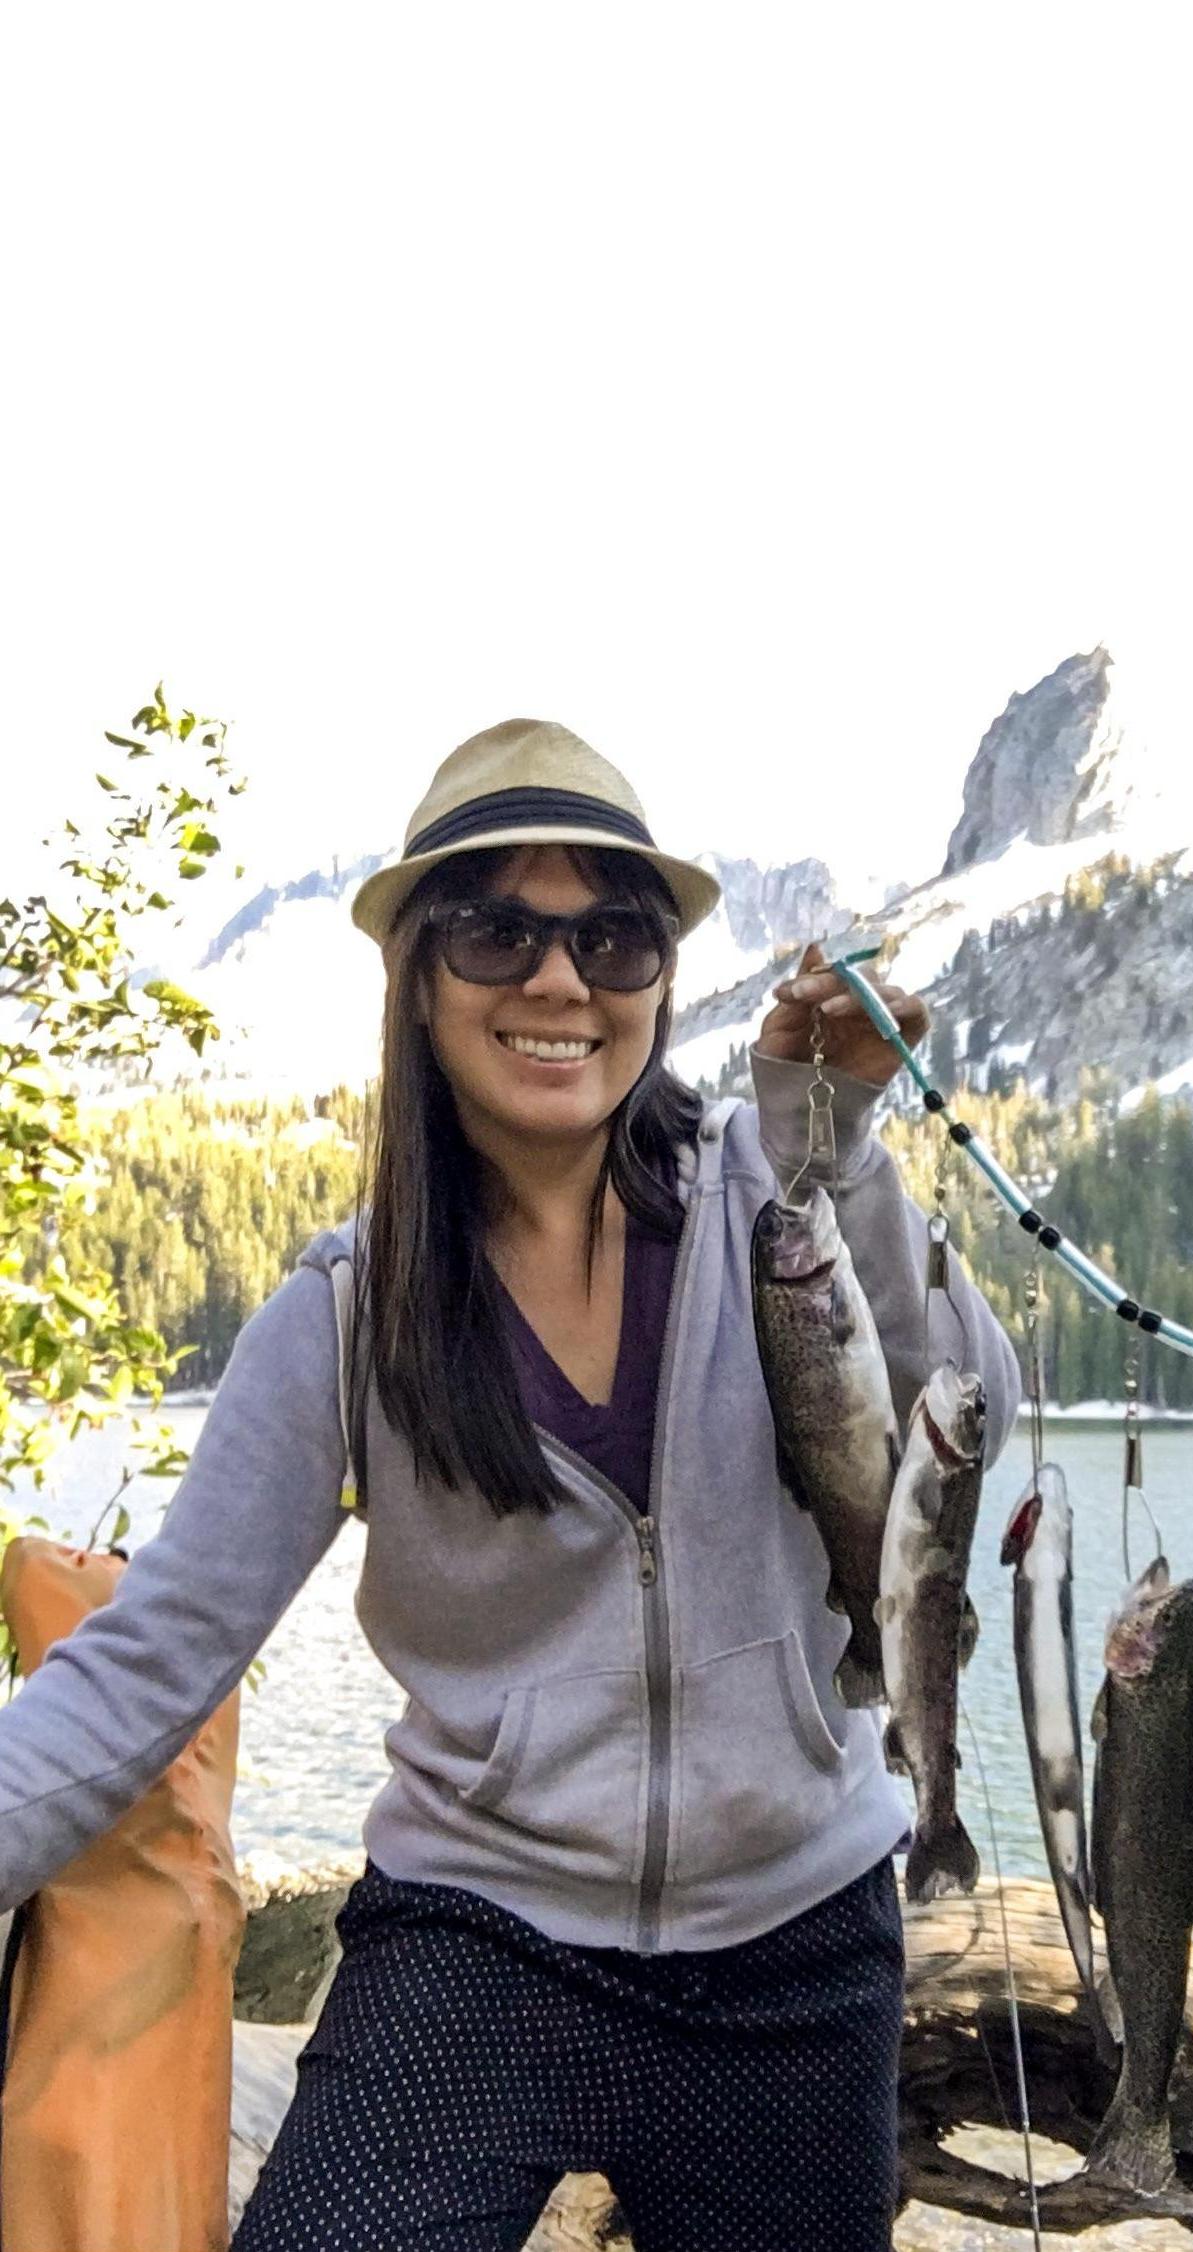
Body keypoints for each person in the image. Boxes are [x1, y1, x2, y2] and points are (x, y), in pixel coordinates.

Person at [0, 717, 1019, 2250]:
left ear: (661, 982)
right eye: (498, 932)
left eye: (613, 937)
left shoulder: (772, 1201)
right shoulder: (346, 1317)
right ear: (418, 975)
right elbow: (147, 1664)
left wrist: (837, 1139)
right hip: (477, 1941)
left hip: (800, 1942)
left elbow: (974, 1419)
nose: (559, 983)